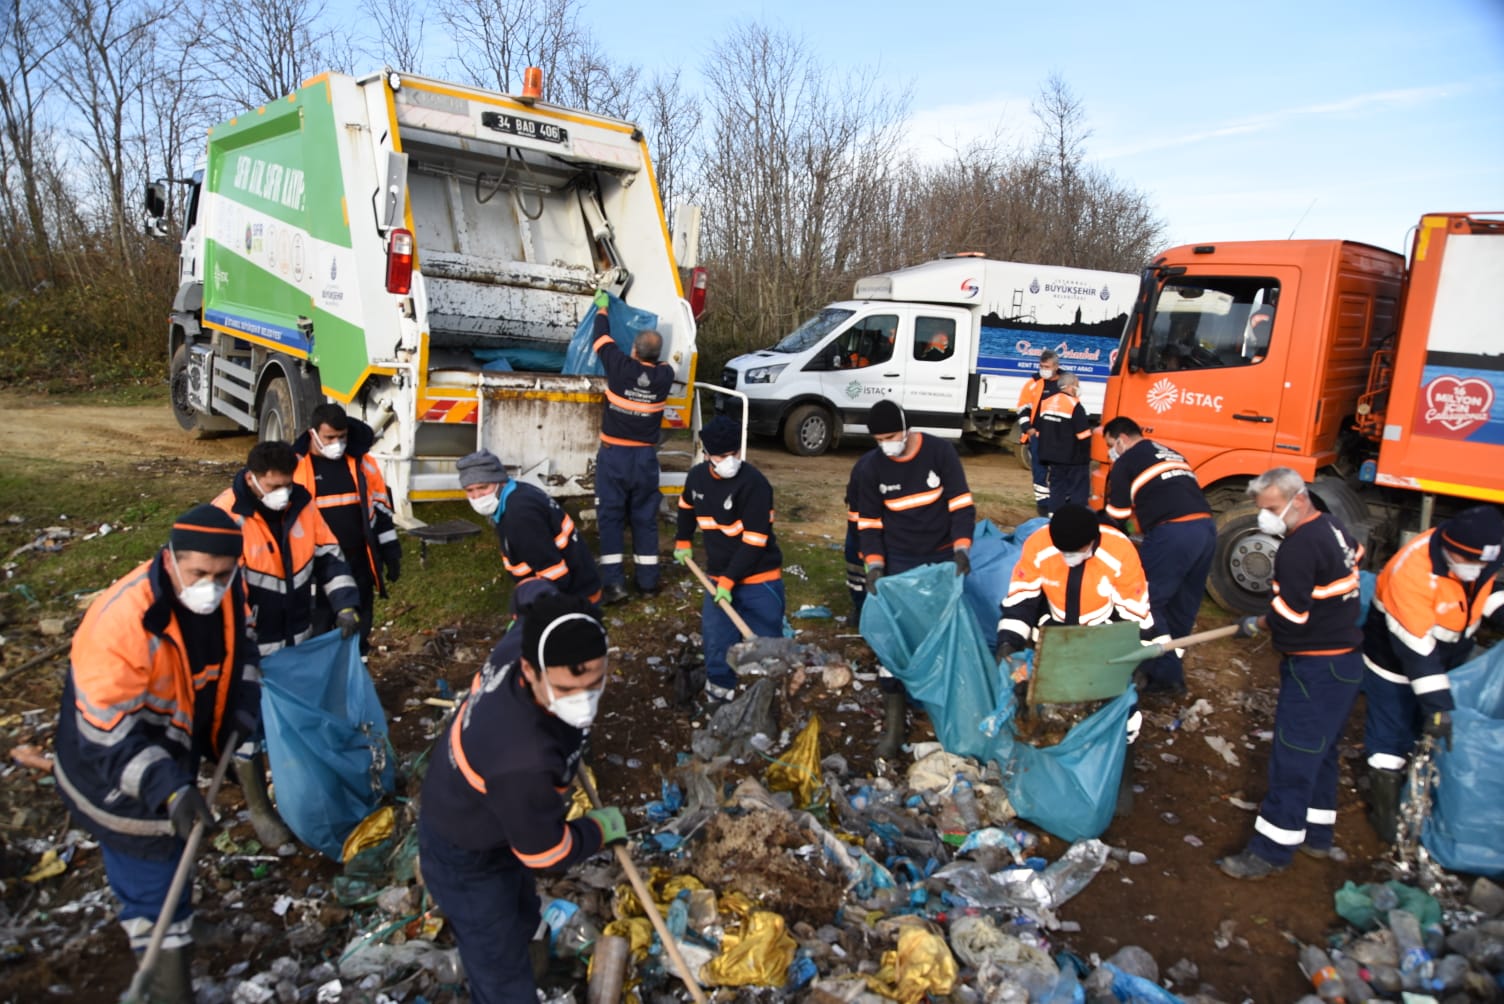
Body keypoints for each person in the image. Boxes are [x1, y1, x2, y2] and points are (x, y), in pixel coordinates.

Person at [54, 505, 262, 1002]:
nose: (211, 585)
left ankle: (180, 928)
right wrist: (167, 789)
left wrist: (243, 709)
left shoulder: (230, 594)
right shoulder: (120, 623)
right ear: (171, 560)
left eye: (222, 574)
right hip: (115, 773)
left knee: (175, 851)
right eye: (199, 574)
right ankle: (170, 974)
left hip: (176, 750)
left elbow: (245, 652)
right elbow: (106, 733)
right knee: (148, 868)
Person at [418, 589, 626, 1004]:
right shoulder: (523, 758)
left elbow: (532, 594)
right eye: (567, 689)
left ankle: (534, 962)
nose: (584, 703)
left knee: (522, 913)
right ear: (530, 671)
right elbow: (545, 854)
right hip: (466, 855)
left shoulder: (527, 639)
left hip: (493, 823)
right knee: (497, 962)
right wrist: (595, 831)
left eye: (595, 683)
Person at [1218, 468, 1365, 879]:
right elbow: (1358, 555)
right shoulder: (1334, 527)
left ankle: (1270, 852)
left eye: (1268, 508)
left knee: (1293, 758)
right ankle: (1318, 837)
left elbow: (1290, 615)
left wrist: (1258, 623)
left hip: (1316, 666)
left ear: (1297, 499)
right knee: (1322, 752)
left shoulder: (1298, 548)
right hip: (1345, 661)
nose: (1264, 517)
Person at [213, 440, 360, 847]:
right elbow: (223, 594)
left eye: (286, 483)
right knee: (249, 727)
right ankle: (259, 808)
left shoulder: (301, 505)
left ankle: (302, 789)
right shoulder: (226, 517)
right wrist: (242, 651)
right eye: (273, 485)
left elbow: (329, 554)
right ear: (252, 480)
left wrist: (345, 604)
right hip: (252, 645)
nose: (282, 493)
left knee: (298, 716)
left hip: (297, 637)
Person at [1360, 504, 1504, 843]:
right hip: (1393, 666)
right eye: (1474, 563)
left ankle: (1416, 789)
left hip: (1447, 658)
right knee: (1391, 737)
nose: (1479, 570)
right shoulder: (1411, 574)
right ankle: (1386, 817)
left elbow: (1484, 595)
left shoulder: (1477, 558)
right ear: (1450, 550)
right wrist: (1438, 706)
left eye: (1485, 565)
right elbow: (1417, 654)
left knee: (1420, 732)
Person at [855, 399, 976, 757]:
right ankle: (894, 722)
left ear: (905, 429)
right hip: (898, 559)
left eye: (891, 436)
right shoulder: (870, 468)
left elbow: (960, 504)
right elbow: (869, 524)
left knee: (938, 632)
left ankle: (937, 706)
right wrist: (874, 566)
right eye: (879, 439)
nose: (886, 445)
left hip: (941, 556)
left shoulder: (939, 453)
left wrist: (962, 549)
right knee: (896, 637)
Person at [673, 416, 785, 702]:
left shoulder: (755, 485)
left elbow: (755, 541)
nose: (730, 461)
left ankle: (762, 702)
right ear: (707, 453)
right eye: (722, 456)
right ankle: (719, 698)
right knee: (717, 640)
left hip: (760, 579)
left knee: (763, 645)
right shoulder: (697, 477)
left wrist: (729, 580)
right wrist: (683, 539)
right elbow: (686, 506)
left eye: (734, 453)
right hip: (718, 576)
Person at [1101, 416, 1215, 694]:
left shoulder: (1125, 462)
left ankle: (1164, 677)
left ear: (1122, 439)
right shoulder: (1170, 453)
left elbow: (1116, 517)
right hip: (1207, 529)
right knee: (1182, 605)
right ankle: (1168, 670)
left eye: (1110, 445)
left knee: (1146, 604)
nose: (1110, 452)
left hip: (1173, 534)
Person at [292, 402, 402, 654]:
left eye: (342, 437)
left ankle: (356, 677)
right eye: (329, 437)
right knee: (317, 631)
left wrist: (391, 551)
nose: (337, 443)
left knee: (359, 630)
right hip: (316, 566)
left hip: (358, 561)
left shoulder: (362, 463)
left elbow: (380, 510)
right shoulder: (296, 468)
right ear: (313, 434)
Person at [589, 290, 674, 605]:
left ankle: (614, 585)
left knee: (610, 517)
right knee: (644, 517)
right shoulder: (664, 376)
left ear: (634, 351)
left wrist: (602, 309)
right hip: (645, 459)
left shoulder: (620, 367)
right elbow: (663, 361)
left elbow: (601, 339)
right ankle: (648, 583)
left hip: (614, 458)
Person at [996, 504, 1162, 662]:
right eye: (1064, 552)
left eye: (1078, 551)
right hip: (1051, 634)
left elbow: (1135, 610)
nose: (1069, 558)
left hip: (1102, 635)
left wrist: (1141, 656)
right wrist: (1008, 642)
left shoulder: (1119, 551)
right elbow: (1021, 599)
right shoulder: (1038, 545)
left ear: (1092, 540)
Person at [459, 450, 603, 604]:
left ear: (499, 481)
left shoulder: (519, 515)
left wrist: (535, 607)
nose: (477, 496)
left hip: (570, 597)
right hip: (577, 584)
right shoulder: (518, 492)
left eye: (483, 487)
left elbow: (552, 570)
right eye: (470, 490)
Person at [1034, 370, 1092, 513]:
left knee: (1056, 490)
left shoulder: (1046, 403)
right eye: (1077, 385)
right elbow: (1083, 436)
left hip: (1053, 458)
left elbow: (1039, 431)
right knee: (1078, 492)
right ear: (1070, 386)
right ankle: (1076, 520)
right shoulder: (1074, 405)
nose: (1078, 388)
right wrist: (1087, 456)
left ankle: (1054, 519)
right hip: (1074, 460)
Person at [1015, 349, 1060, 516]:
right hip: (1038, 437)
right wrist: (1029, 429)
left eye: (1047, 366)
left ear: (1056, 366)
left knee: (1058, 473)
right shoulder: (1033, 383)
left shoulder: (1066, 382)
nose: (1043, 369)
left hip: (1059, 438)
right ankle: (1042, 506)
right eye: (1041, 366)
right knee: (1039, 473)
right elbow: (1022, 408)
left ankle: (1057, 505)